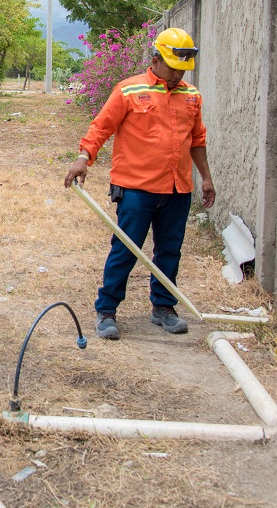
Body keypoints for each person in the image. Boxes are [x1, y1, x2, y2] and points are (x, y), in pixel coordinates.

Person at [63, 27, 216, 339]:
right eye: (173, 68)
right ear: (156, 59)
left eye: (182, 69)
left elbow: (197, 140)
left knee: (169, 250)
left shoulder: (191, 96)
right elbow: (101, 126)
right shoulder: (129, 91)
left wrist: (206, 178)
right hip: (136, 189)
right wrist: (83, 158)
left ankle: (164, 307)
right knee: (126, 249)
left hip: (177, 189)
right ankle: (106, 310)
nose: (177, 75)